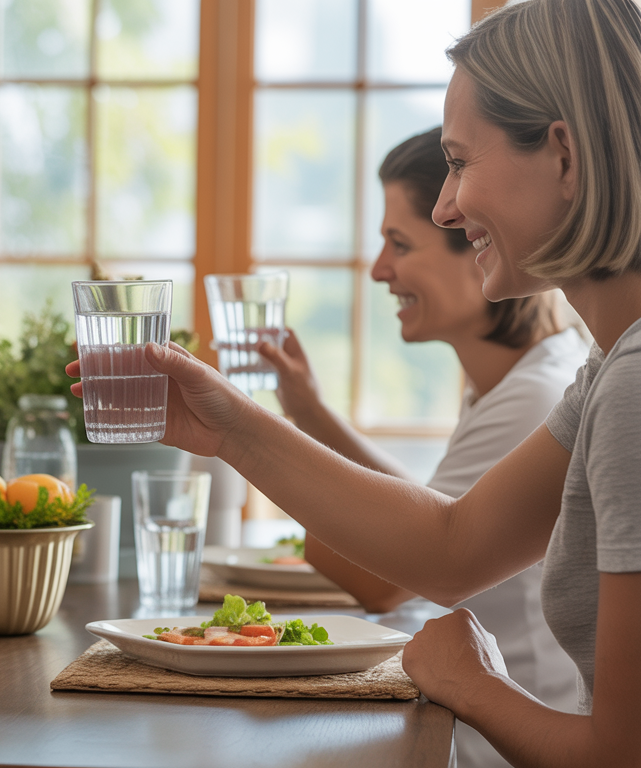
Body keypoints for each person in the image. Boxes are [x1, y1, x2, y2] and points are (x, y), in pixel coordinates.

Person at [70, 0, 641, 762]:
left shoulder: (633, 387)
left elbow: (620, 755)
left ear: (564, 156)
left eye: (462, 162)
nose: (447, 202)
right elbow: (451, 547)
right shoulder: (610, 369)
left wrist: (470, 684)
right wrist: (231, 425)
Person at [257, 126, 586, 768]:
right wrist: (312, 415)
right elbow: (431, 512)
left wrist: (242, 432)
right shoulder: (520, 377)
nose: (380, 270)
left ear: (474, 242)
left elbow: (386, 573)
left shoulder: (535, 395)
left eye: (399, 244)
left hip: (494, 747)